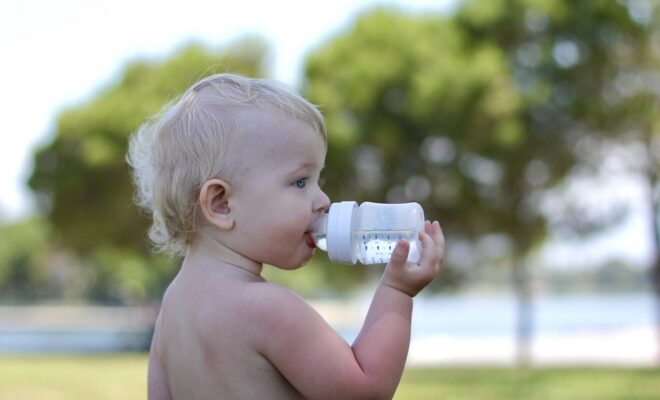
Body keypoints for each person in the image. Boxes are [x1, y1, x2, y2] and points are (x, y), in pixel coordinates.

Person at [127, 73, 445, 400]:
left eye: (317, 180)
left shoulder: (173, 307)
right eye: (300, 182)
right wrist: (397, 291)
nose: (323, 200)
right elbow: (365, 391)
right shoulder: (268, 308)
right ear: (221, 204)